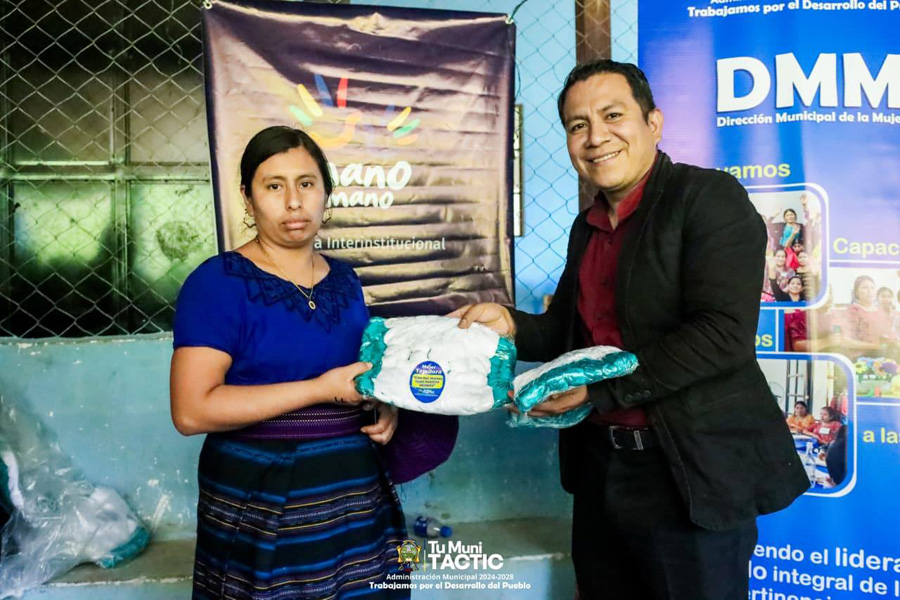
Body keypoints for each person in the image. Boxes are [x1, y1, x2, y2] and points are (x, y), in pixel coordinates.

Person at [450, 59, 807, 600]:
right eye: (578, 125)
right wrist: (512, 325)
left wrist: (599, 392)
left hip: (689, 474)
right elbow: (569, 335)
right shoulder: (588, 225)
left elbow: (722, 335)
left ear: (653, 123)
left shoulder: (707, 198)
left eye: (612, 115)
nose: (596, 137)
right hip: (601, 469)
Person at [170, 126, 409, 600]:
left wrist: (382, 404)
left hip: (355, 498)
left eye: (306, 183)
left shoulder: (345, 281)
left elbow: (357, 375)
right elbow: (191, 411)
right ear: (247, 197)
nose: (294, 202)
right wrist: (319, 390)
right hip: (262, 501)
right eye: (274, 186)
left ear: (326, 193)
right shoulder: (217, 283)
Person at [843, 275, 892, 358]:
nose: (870, 291)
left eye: (872, 288)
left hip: (884, 355)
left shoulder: (880, 310)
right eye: (864, 288)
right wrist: (875, 346)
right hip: (862, 358)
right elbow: (845, 341)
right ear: (857, 292)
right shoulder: (853, 311)